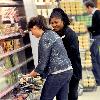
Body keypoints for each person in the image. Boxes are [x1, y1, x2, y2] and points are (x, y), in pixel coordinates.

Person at [27, 15, 73, 100]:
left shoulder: (44, 38)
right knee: (62, 98)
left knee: (45, 98)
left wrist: (31, 75)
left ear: (35, 27)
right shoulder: (52, 33)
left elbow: (43, 62)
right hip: (67, 70)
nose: (32, 34)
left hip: (57, 73)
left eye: (31, 31)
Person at [49, 8, 82, 100]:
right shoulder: (54, 33)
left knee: (71, 95)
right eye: (52, 23)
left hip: (72, 72)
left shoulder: (70, 34)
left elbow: (73, 54)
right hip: (60, 72)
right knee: (61, 96)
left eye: (56, 22)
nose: (54, 25)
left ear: (62, 21)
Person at [84, 1, 100, 85]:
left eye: (86, 9)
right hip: (96, 36)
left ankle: (98, 79)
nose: (86, 11)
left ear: (89, 7)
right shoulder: (96, 13)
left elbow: (97, 26)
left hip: (96, 37)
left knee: (93, 57)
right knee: (97, 57)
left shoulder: (97, 13)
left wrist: (88, 28)